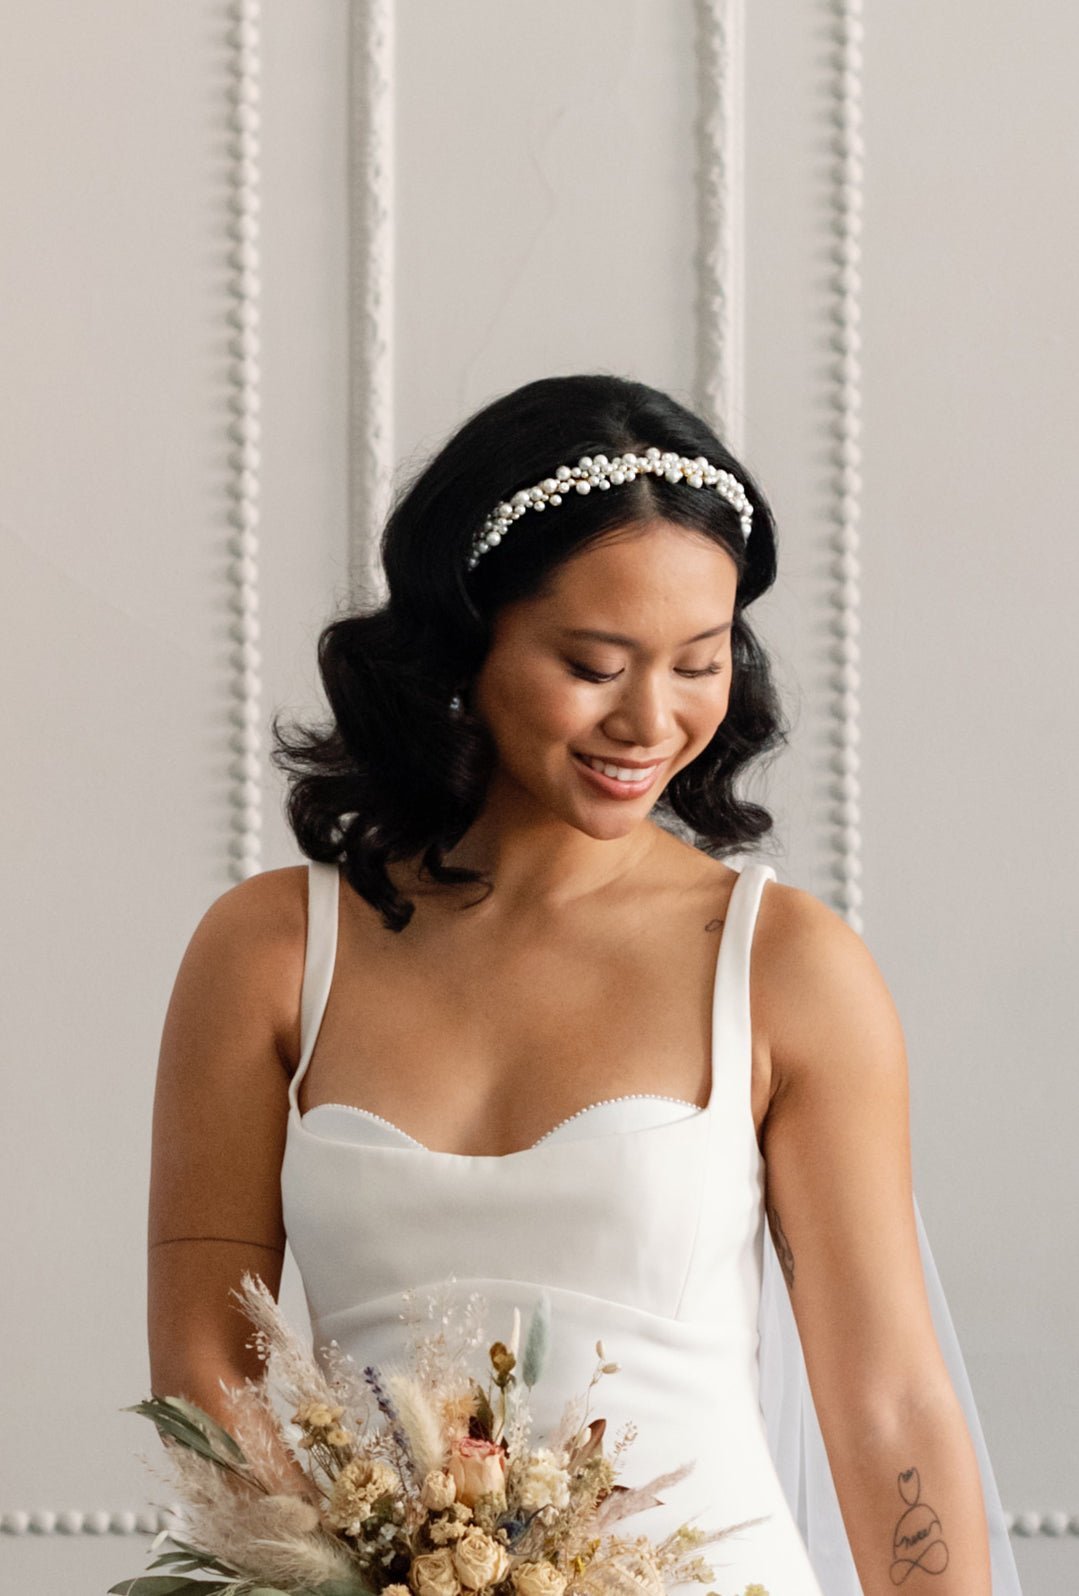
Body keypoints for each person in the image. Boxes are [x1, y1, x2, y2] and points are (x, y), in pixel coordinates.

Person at [147, 374, 1022, 1595]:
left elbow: (885, 1403)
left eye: (698, 663)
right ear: (467, 640)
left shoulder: (784, 968)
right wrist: (350, 1574)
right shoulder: (267, 950)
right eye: (593, 663)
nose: (651, 721)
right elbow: (207, 1351)